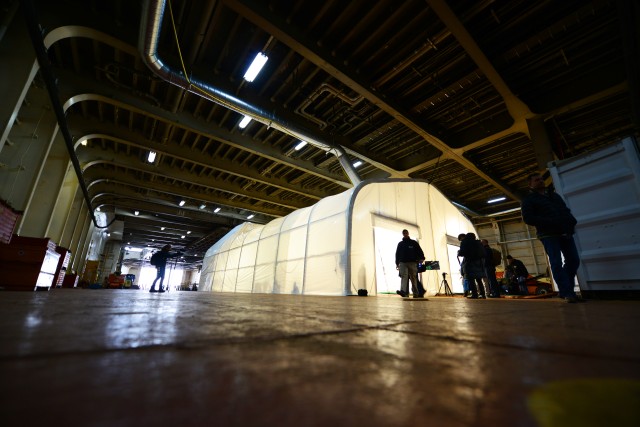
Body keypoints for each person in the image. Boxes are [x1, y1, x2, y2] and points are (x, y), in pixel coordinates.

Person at [521, 173, 583, 303]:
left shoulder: (554, 196)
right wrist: (550, 222)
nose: (541, 181)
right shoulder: (528, 200)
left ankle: (566, 290)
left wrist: (571, 223)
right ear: (530, 184)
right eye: (537, 180)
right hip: (548, 234)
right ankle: (567, 292)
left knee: (573, 260)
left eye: (542, 179)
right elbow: (528, 218)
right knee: (556, 263)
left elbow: (565, 211)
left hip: (565, 232)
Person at [395, 229, 425, 298]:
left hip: (412, 263)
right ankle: (403, 291)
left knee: (413, 278)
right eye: (404, 233)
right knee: (404, 276)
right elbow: (397, 254)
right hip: (403, 263)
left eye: (406, 233)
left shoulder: (413, 243)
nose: (405, 234)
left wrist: (422, 258)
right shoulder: (400, 244)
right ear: (403, 234)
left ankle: (416, 293)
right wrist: (397, 263)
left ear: (408, 233)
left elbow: (419, 251)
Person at [458, 232, 486, 298]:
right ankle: (483, 294)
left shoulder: (465, 242)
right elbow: (483, 253)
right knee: (479, 280)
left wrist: (459, 252)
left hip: (470, 263)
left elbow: (462, 252)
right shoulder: (478, 243)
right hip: (479, 263)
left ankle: (474, 294)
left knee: (471, 279)